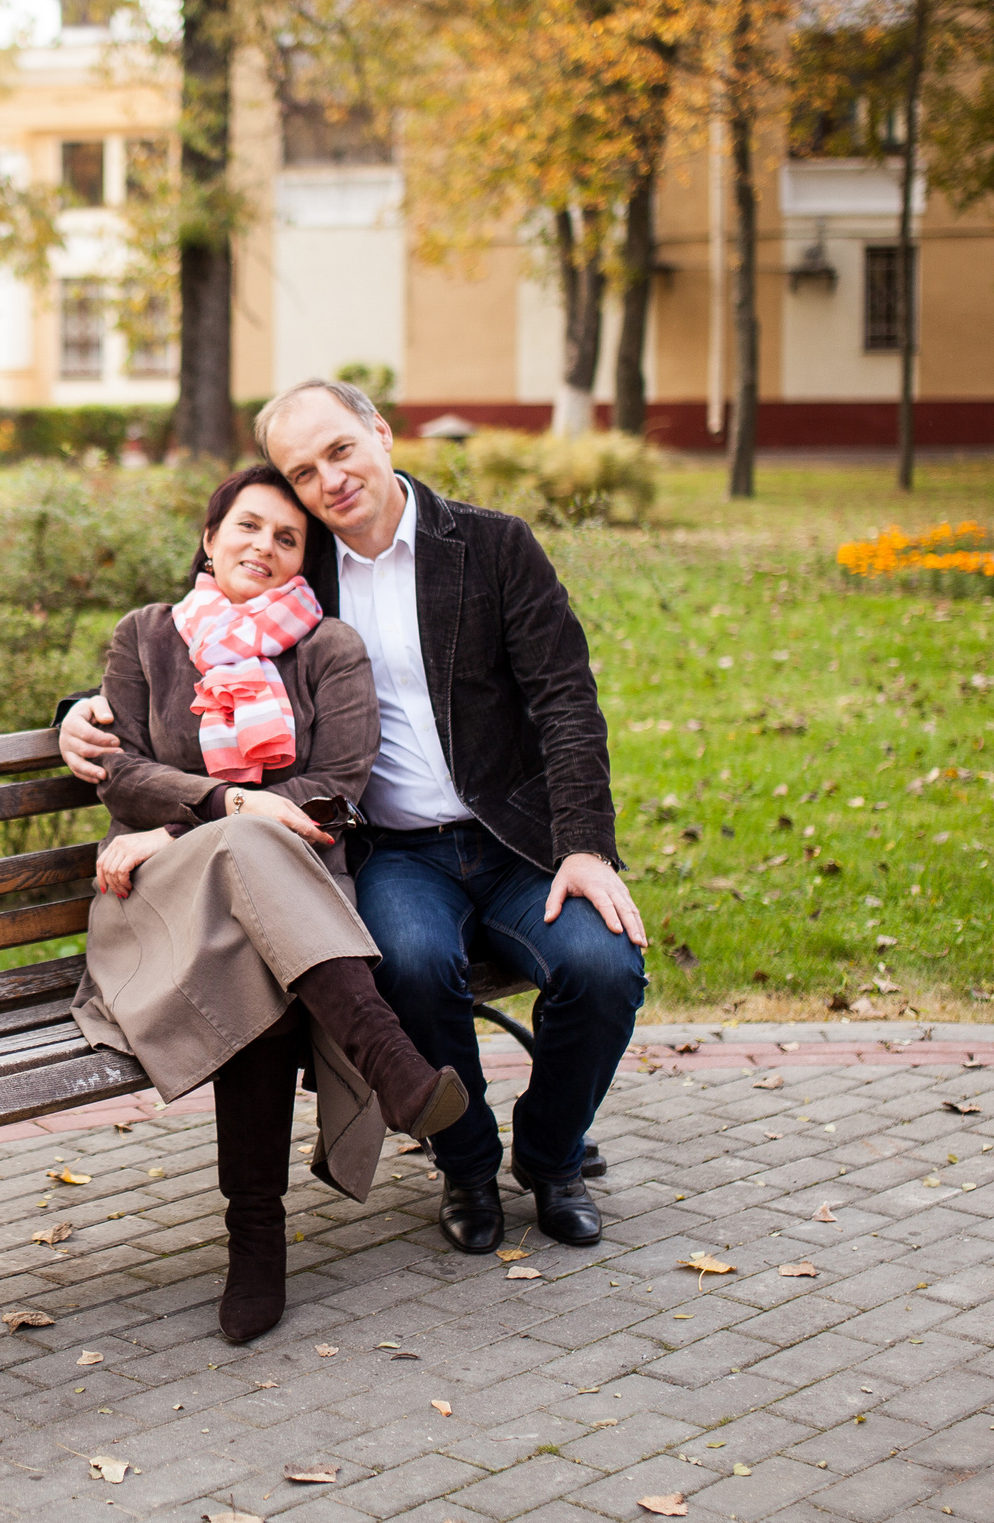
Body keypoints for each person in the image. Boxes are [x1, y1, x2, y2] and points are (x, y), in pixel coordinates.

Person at [62, 381, 646, 1254]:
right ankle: (468, 1164)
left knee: (604, 966)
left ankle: (552, 1154)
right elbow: (193, 640)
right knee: (410, 966)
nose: (328, 479)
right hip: (392, 851)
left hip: (515, 842)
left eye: (340, 450)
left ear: (380, 432)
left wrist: (586, 847)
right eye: (303, 471)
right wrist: (76, 709)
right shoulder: (303, 572)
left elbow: (565, 697)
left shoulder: (490, 546)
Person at [70, 463, 468, 1343]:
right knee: (248, 848)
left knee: (256, 939)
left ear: (302, 561)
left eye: (288, 538)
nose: (265, 546)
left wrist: (201, 821)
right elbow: (120, 774)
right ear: (209, 538)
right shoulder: (147, 635)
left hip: (291, 891)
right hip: (158, 898)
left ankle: (257, 1236)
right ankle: (391, 1062)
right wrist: (222, 808)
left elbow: (338, 787)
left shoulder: (328, 649)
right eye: (248, 526)